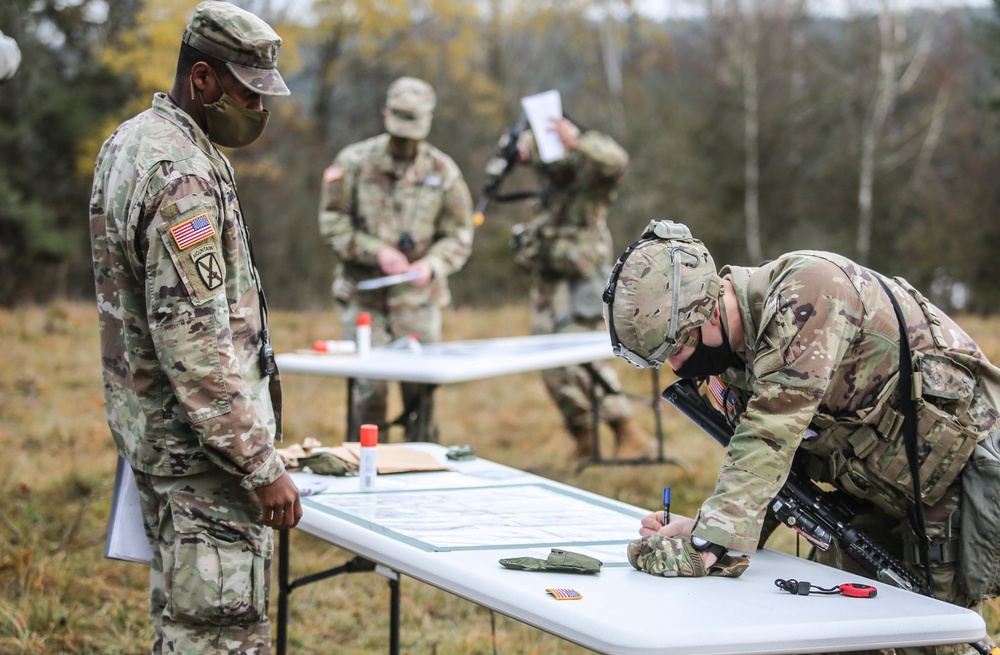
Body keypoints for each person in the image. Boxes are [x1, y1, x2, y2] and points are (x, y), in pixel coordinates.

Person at [604, 220, 1000, 654]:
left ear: (709, 311)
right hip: (882, 493)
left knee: (930, 642)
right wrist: (709, 527)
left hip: (959, 484)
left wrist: (707, 543)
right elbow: (773, 474)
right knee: (822, 627)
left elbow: (770, 433)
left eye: (677, 349)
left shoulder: (809, 291)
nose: (679, 367)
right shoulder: (735, 361)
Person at [89, 3, 301, 653]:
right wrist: (259, 463)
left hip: (159, 436)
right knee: (218, 635)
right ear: (202, 79)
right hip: (203, 460)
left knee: (183, 621)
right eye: (246, 93)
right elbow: (195, 345)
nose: (257, 112)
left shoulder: (133, 140)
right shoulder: (181, 173)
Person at [318, 76, 474, 442]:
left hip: (418, 303)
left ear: (428, 121)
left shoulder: (443, 172)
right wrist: (375, 251)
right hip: (364, 300)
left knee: (421, 395)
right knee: (369, 392)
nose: (405, 140)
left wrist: (432, 265)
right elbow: (332, 221)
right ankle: (367, 470)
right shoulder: (354, 162)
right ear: (386, 116)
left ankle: (420, 471)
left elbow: (459, 234)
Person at [510, 116, 655, 460]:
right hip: (549, 282)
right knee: (551, 366)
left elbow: (616, 161)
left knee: (583, 362)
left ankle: (630, 433)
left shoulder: (590, 174)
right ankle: (585, 438)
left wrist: (575, 141)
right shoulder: (548, 183)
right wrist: (522, 150)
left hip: (581, 281)